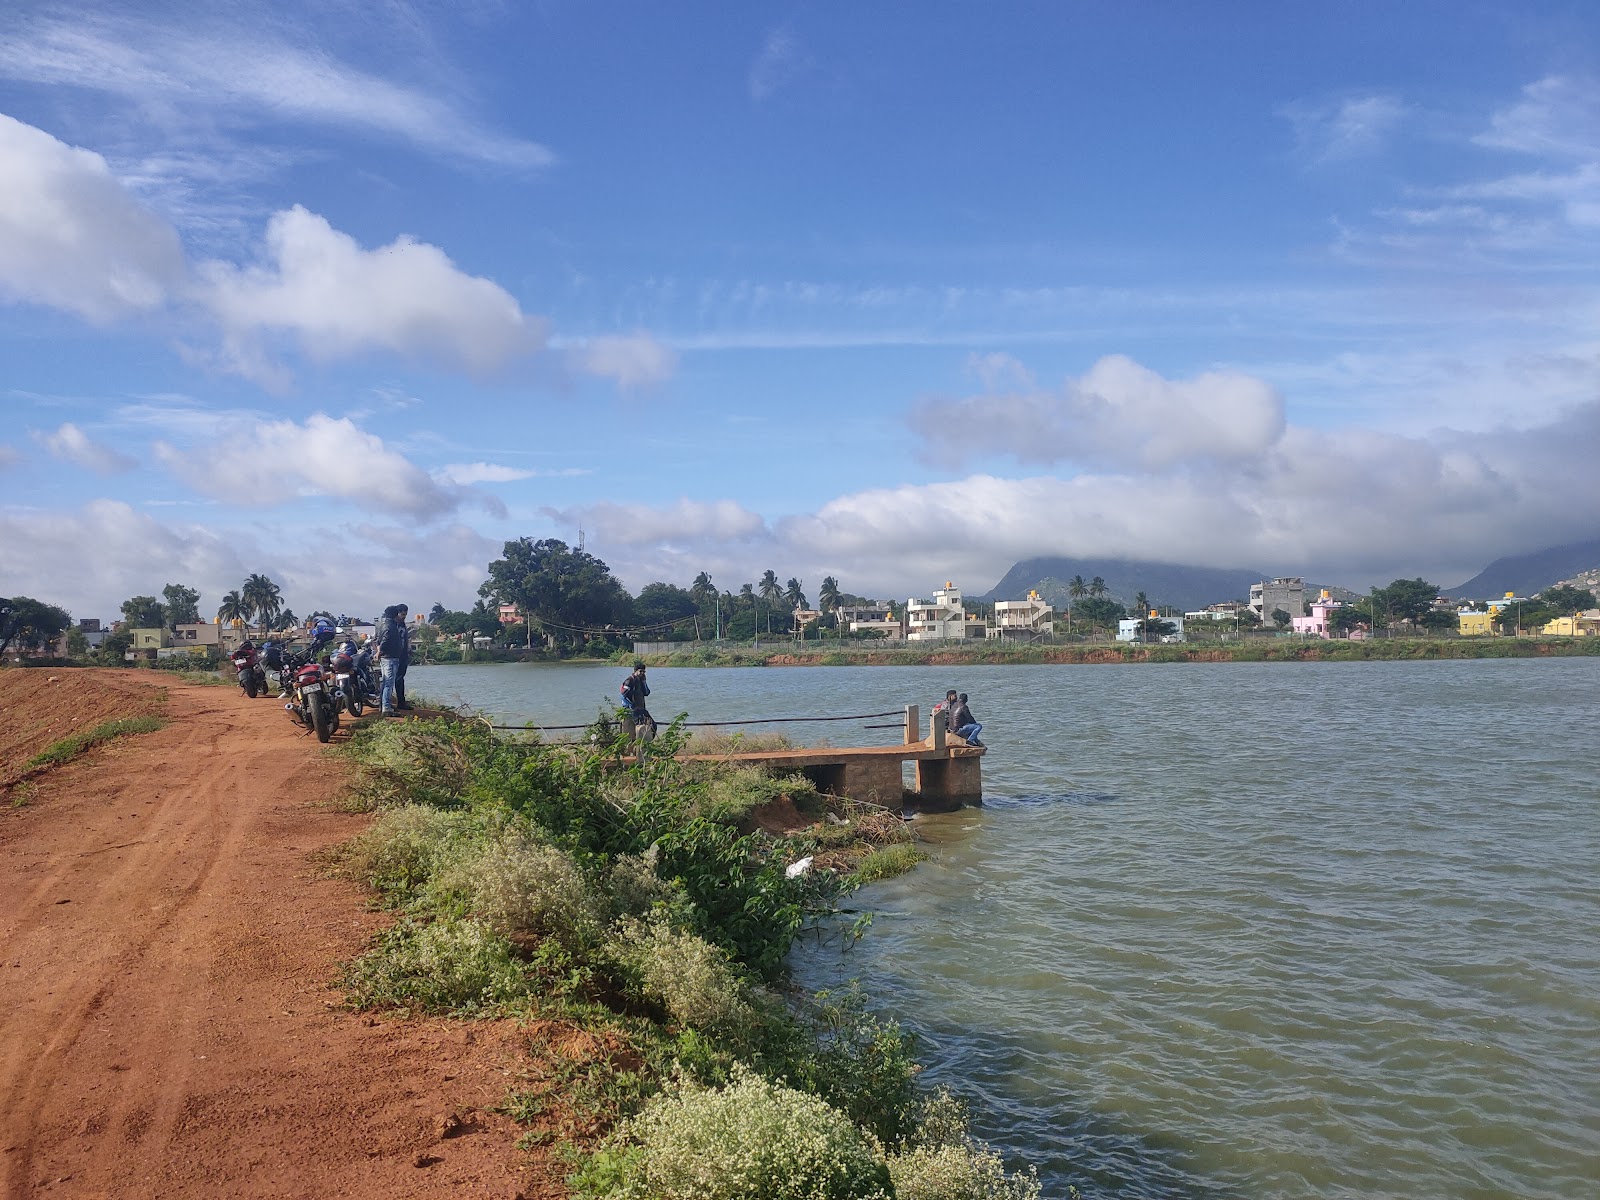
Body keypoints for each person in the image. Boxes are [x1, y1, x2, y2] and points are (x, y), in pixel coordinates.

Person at [375, 604, 405, 716]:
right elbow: (386, 640)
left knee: (385, 682)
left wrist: (379, 651)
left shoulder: (382, 625)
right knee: (389, 683)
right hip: (390, 658)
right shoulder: (391, 626)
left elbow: (378, 640)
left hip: (386, 658)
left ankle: (383, 705)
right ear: (395, 614)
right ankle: (386, 708)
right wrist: (380, 651)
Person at [620, 661, 655, 740]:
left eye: (644, 671)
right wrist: (631, 706)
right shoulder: (629, 681)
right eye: (640, 671)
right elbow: (623, 695)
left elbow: (647, 693)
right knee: (641, 728)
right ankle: (638, 748)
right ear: (635, 671)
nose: (642, 673)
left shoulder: (641, 681)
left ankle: (646, 746)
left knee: (653, 726)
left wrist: (644, 682)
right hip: (631, 709)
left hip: (641, 708)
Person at [394, 604, 413, 711]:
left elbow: (406, 638)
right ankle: (398, 703)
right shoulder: (393, 625)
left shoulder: (403, 624)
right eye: (402, 614)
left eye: (405, 614)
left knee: (400, 678)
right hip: (395, 655)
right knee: (395, 679)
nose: (404, 616)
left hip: (403, 655)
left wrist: (408, 648)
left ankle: (401, 701)